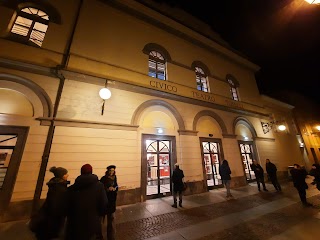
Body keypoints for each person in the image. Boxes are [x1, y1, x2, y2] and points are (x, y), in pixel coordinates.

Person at [65, 164, 108, 240]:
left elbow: (67, 206)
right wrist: (100, 215)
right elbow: (104, 204)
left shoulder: (72, 188)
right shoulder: (99, 186)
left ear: (81, 172)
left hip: (76, 224)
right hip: (93, 223)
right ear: (91, 172)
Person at [31, 166, 69, 240]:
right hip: (53, 218)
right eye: (66, 174)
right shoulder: (59, 188)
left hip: (51, 217)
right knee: (49, 234)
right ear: (62, 176)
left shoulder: (56, 185)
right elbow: (55, 205)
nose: (67, 175)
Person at [100, 165, 118, 240]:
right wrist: (107, 189)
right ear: (107, 171)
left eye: (113, 171)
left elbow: (117, 186)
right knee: (101, 221)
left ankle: (111, 237)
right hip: (105, 202)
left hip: (112, 201)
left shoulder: (115, 178)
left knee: (112, 220)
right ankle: (99, 236)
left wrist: (115, 188)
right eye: (110, 171)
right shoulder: (103, 179)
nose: (111, 172)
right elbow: (101, 189)